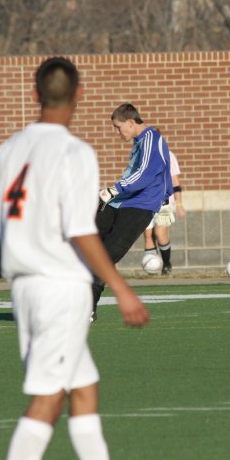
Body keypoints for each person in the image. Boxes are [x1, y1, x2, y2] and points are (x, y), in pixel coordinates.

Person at [0, 57, 149, 460]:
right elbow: (81, 232)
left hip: (24, 288)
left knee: (84, 390)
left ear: (35, 94)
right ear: (80, 95)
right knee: (48, 401)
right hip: (60, 289)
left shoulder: (7, 151)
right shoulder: (75, 153)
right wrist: (121, 290)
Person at [93, 103, 172, 320]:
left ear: (130, 122)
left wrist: (114, 189)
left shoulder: (150, 138)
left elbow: (146, 173)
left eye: (118, 128)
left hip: (138, 207)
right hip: (123, 202)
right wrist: (166, 194)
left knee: (105, 256)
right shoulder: (141, 142)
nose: (117, 133)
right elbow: (162, 170)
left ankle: (87, 308)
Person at [142, 147, 185, 275]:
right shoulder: (141, 156)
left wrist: (179, 204)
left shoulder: (168, 156)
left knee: (160, 233)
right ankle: (152, 268)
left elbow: (175, 181)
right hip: (147, 200)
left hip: (164, 201)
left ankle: (166, 264)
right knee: (148, 234)